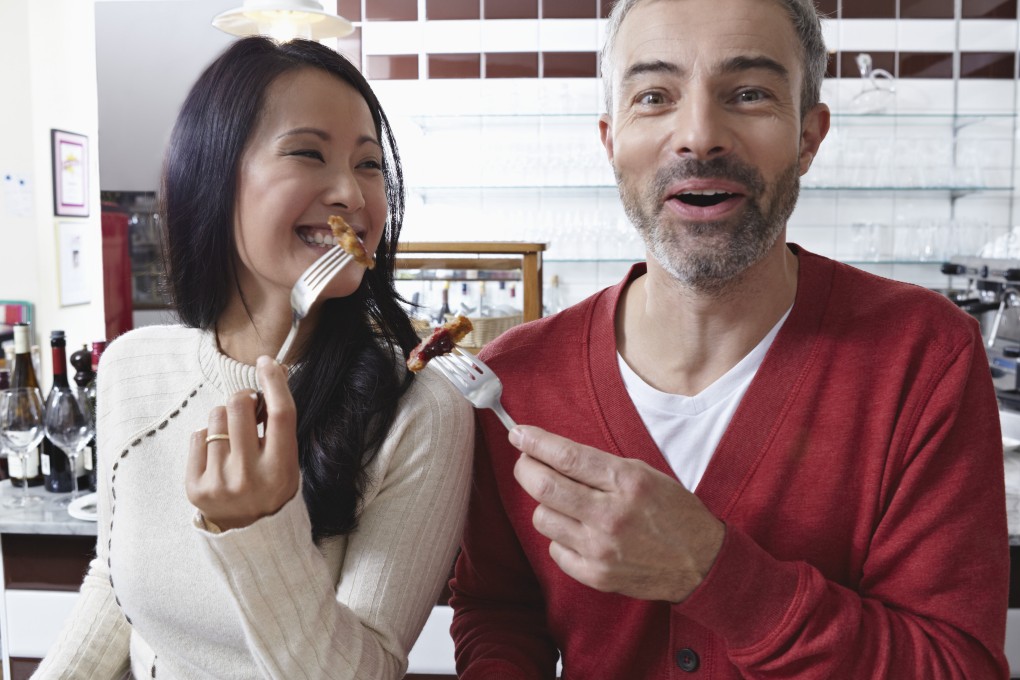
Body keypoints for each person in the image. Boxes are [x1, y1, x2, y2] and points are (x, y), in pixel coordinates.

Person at [449, 0, 1009, 677]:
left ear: (809, 136)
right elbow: (498, 613)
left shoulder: (923, 357)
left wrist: (715, 574)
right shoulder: (512, 381)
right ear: (610, 141)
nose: (699, 136)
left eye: (748, 94)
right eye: (654, 96)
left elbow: (958, 665)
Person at [34, 37, 473, 680]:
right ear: (214, 177)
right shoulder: (133, 368)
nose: (351, 192)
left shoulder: (421, 409)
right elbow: (114, 586)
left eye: (370, 163)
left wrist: (260, 530)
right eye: (307, 153)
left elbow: (369, 670)